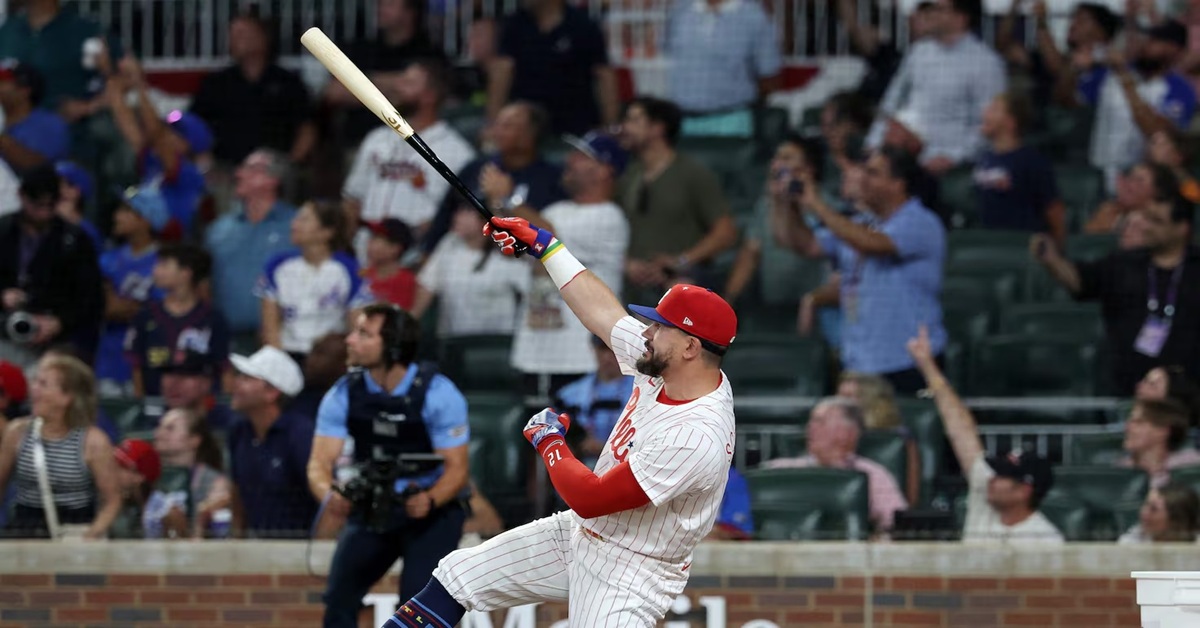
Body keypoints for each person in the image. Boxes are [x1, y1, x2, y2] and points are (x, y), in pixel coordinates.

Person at [381, 216, 739, 627]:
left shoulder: (696, 435)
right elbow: (604, 313)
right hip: (581, 534)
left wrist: (550, 442)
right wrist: (548, 247)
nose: (648, 331)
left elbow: (589, 496)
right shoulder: (664, 364)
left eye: (660, 327)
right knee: (457, 577)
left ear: (691, 347)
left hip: (633, 568)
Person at [307, 304, 471, 628]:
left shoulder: (439, 393)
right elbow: (319, 462)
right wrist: (331, 495)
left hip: (429, 511)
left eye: (363, 334)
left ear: (394, 346)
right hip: (373, 505)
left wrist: (431, 498)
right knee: (338, 597)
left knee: (419, 606)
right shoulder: (343, 392)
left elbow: (457, 468)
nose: (350, 341)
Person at [907, 325, 1063, 543]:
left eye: (1002, 476)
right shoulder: (984, 494)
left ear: (1024, 491)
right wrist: (928, 367)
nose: (990, 479)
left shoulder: (1046, 539)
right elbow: (960, 429)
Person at [0, 354, 121, 539]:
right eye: (36, 382)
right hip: (24, 530)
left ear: (67, 397)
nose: (34, 390)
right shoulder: (17, 432)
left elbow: (112, 501)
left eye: (43, 384)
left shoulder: (93, 441)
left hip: (75, 530)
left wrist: (90, 536)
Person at [226, 346, 316, 538]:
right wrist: (235, 542)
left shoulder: (300, 434)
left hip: (299, 547)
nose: (236, 383)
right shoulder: (239, 431)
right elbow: (237, 493)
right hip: (258, 548)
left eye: (247, 379)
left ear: (271, 393)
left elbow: (325, 498)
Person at [144, 406, 232, 539]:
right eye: (159, 426)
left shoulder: (214, 482)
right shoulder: (148, 477)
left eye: (170, 428)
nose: (159, 433)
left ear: (194, 440)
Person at [1118, 482, 1200, 544]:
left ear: (1176, 519)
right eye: (1145, 504)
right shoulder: (1132, 541)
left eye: (1153, 509)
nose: (1144, 512)